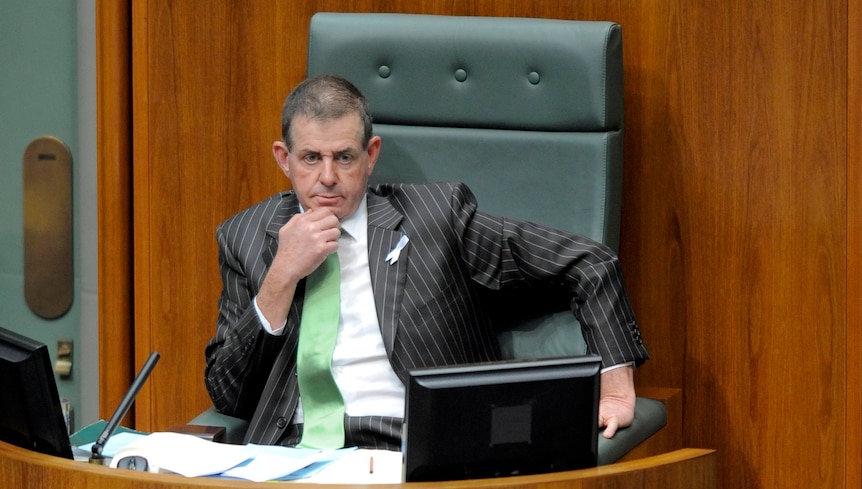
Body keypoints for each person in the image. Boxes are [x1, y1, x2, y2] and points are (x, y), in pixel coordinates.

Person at [205, 74, 649, 451]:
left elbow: (590, 262)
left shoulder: (436, 217)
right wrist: (280, 276)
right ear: (284, 158)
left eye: (344, 157)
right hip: (292, 455)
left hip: (416, 446)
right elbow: (230, 398)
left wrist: (613, 384)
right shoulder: (245, 237)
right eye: (310, 159)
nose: (327, 177)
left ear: (371, 155)